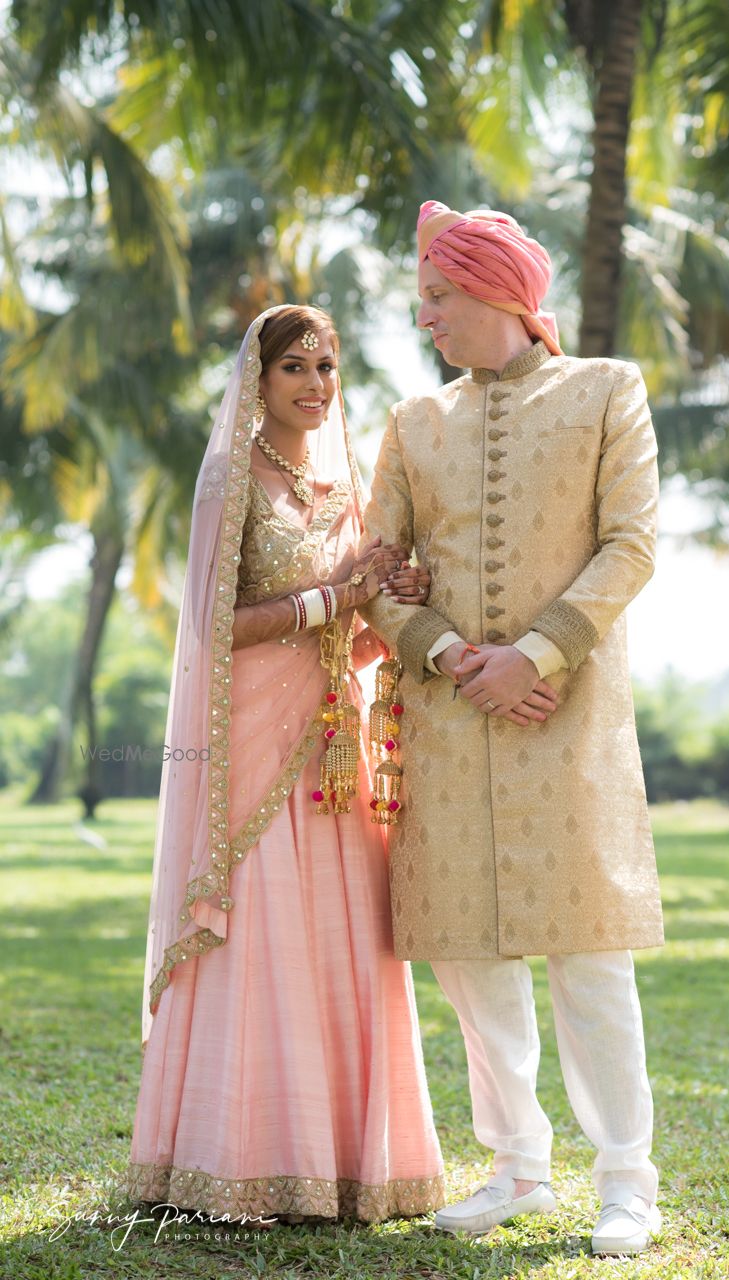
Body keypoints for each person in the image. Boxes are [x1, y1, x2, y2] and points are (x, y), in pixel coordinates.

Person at [360, 202, 664, 1256]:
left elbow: (631, 544)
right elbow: (377, 578)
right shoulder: (414, 422)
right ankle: (518, 1167)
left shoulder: (606, 390)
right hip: (448, 722)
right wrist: (454, 657)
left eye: (438, 295)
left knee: (588, 956)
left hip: (566, 714)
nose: (425, 314)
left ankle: (627, 1177)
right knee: (471, 960)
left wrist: (531, 656)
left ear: (496, 288)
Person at [127, 303, 444, 1226]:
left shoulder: (347, 489)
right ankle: (235, 1160)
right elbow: (211, 625)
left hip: (332, 749)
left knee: (342, 934)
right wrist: (327, 602)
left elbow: (356, 641)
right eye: (295, 368)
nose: (315, 385)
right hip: (251, 749)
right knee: (259, 932)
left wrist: (389, 599)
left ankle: (344, 1166)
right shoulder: (231, 478)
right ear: (257, 381)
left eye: (328, 367)